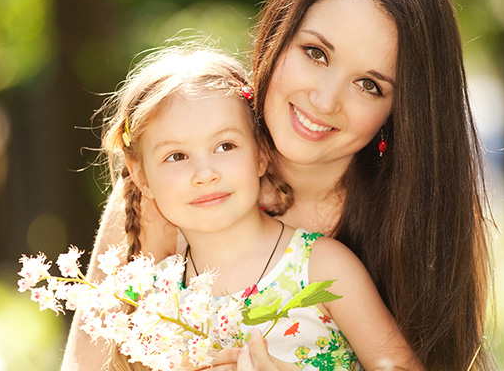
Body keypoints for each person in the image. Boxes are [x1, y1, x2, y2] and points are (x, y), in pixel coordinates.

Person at [63, 0, 493, 371]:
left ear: (399, 114)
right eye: (315, 53)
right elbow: (89, 363)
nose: (324, 101)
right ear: (277, 38)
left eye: (369, 85)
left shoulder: (411, 225)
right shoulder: (173, 193)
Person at [79, 44, 420, 371]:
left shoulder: (320, 266)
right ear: (142, 179)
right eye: (177, 156)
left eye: (225, 146)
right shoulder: (158, 300)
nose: (205, 174)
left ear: (260, 155)